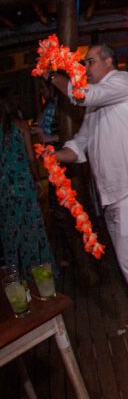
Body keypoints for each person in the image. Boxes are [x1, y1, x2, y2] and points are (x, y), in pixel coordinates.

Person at [48, 44, 128, 354]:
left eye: (90, 61)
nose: (86, 67)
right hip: (113, 189)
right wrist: (53, 155)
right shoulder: (95, 103)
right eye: (84, 63)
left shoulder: (121, 82)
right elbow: (79, 146)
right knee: (126, 257)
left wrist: (53, 76)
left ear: (108, 60)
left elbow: (80, 94)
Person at [0, 94, 54, 277]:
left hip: (4, 188)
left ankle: (18, 276)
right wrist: (38, 180)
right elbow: (31, 158)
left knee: (10, 233)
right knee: (32, 229)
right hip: (23, 185)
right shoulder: (22, 125)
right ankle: (39, 275)